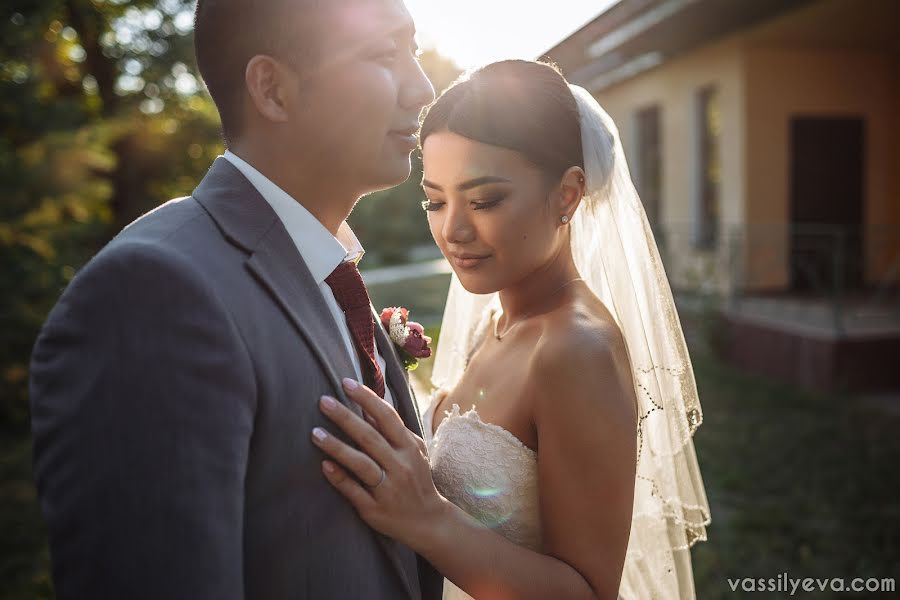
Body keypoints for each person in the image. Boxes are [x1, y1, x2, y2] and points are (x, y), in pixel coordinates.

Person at [28, 1, 438, 598]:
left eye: (416, 50)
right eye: (384, 54)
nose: (423, 87)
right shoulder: (154, 293)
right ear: (273, 89)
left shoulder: (323, 270)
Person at [312, 60, 711, 599]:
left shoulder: (574, 351)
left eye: (484, 200)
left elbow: (589, 592)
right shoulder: (499, 321)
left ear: (568, 195)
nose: (452, 229)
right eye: (435, 200)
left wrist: (425, 518)